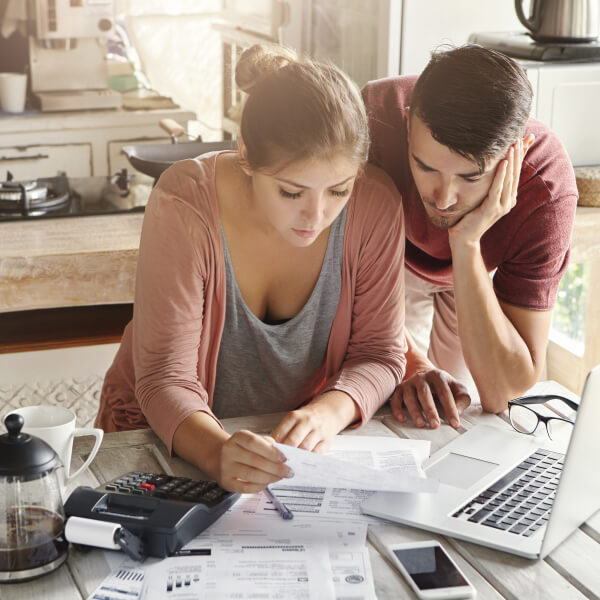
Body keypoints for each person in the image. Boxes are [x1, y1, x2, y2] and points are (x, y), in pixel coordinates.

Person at [96, 44, 407, 494]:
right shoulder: (185, 202)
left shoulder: (376, 205)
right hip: (157, 435)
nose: (316, 217)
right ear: (245, 157)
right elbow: (166, 377)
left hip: (282, 452)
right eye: (291, 192)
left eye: (338, 191)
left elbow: (379, 352)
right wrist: (218, 452)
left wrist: (328, 412)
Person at [362, 44, 577, 430]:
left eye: (470, 177)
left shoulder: (546, 189)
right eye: (425, 167)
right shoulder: (371, 121)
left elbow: (503, 390)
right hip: (381, 259)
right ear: (408, 123)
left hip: (476, 266)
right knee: (389, 395)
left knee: (459, 407)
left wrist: (466, 243)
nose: (443, 199)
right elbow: (328, 277)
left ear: (515, 153)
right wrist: (412, 363)